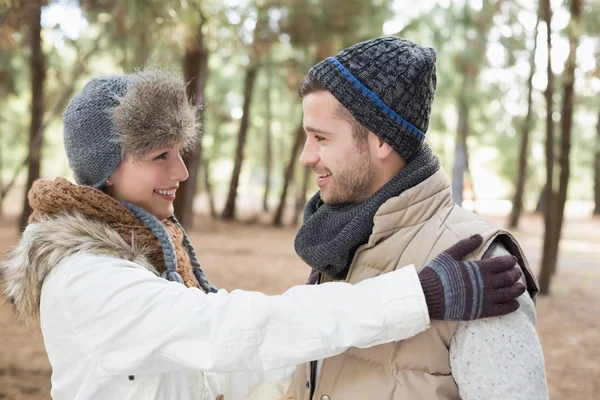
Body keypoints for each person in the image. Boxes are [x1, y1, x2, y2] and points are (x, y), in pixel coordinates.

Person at [1, 68, 524, 400]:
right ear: (107, 170)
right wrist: (419, 295)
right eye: (160, 157)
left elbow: (212, 373)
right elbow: (222, 332)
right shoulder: (88, 279)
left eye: (180, 152)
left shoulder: (146, 254)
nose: (181, 173)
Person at [291, 37, 549, 399]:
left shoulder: (479, 264)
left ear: (381, 139)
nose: (306, 156)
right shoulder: (339, 240)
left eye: (321, 138)